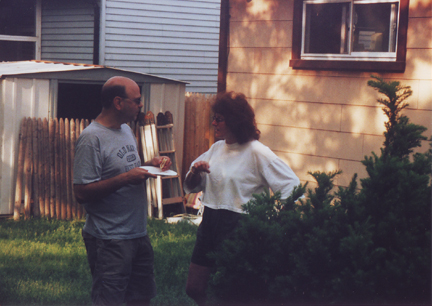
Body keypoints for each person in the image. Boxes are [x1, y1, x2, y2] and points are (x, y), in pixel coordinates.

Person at [184, 91, 301, 305]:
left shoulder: (257, 152)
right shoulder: (217, 148)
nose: (213, 122)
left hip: (239, 225)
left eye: (219, 118)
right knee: (194, 287)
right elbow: (191, 184)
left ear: (235, 120)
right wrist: (195, 172)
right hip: (210, 222)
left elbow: (291, 185)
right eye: (214, 117)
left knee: (234, 293)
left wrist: (279, 222)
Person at [73, 76, 171, 306]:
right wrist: (128, 177)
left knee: (140, 299)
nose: (140, 105)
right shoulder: (91, 138)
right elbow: (81, 192)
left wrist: (150, 164)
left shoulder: (126, 130)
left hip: (137, 233)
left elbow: (125, 169)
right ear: (118, 102)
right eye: (136, 100)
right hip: (110, 239)